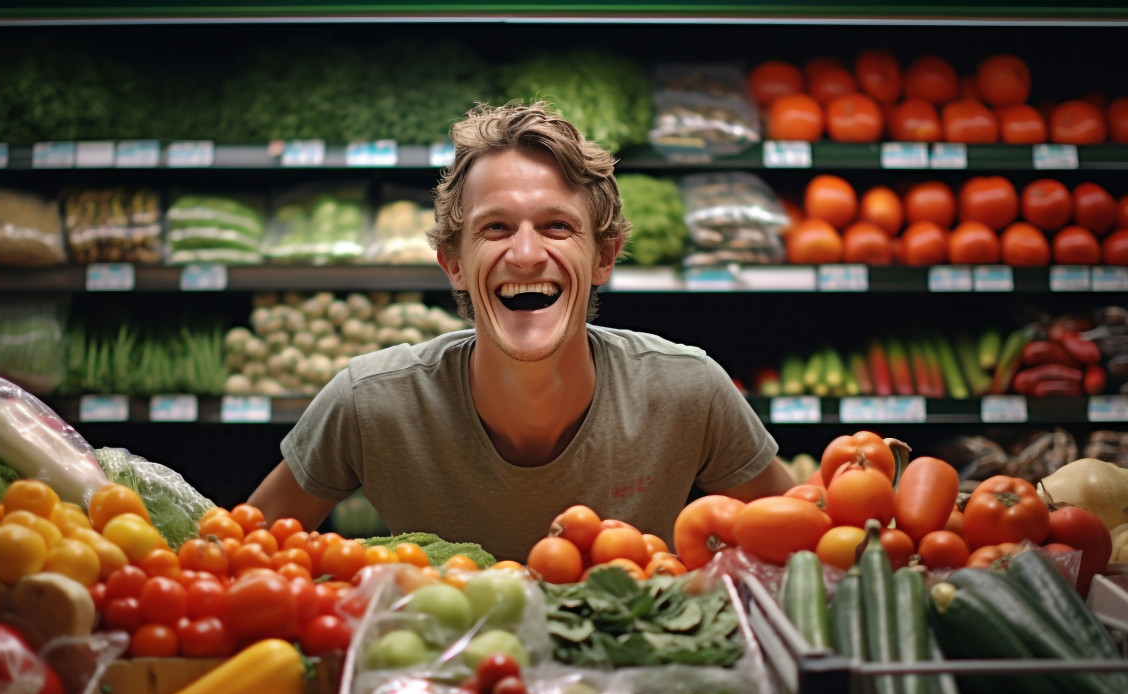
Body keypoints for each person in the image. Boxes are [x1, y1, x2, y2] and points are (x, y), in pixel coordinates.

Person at [248, 100, 794, 561]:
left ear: (604, 256)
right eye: (495, 228)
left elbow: (810, 543)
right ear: (453, 264)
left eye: (557, 226)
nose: (527, 254)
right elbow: (235, 555)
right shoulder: (370, 403)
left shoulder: (688, 392)